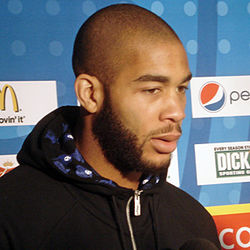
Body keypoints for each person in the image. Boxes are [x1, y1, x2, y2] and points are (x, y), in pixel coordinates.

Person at [0, 4, 220, 250]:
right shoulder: (11, 217)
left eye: (181, 89)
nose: (177, 112)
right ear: (91, 94)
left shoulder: (195, 221)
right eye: (152, 90)